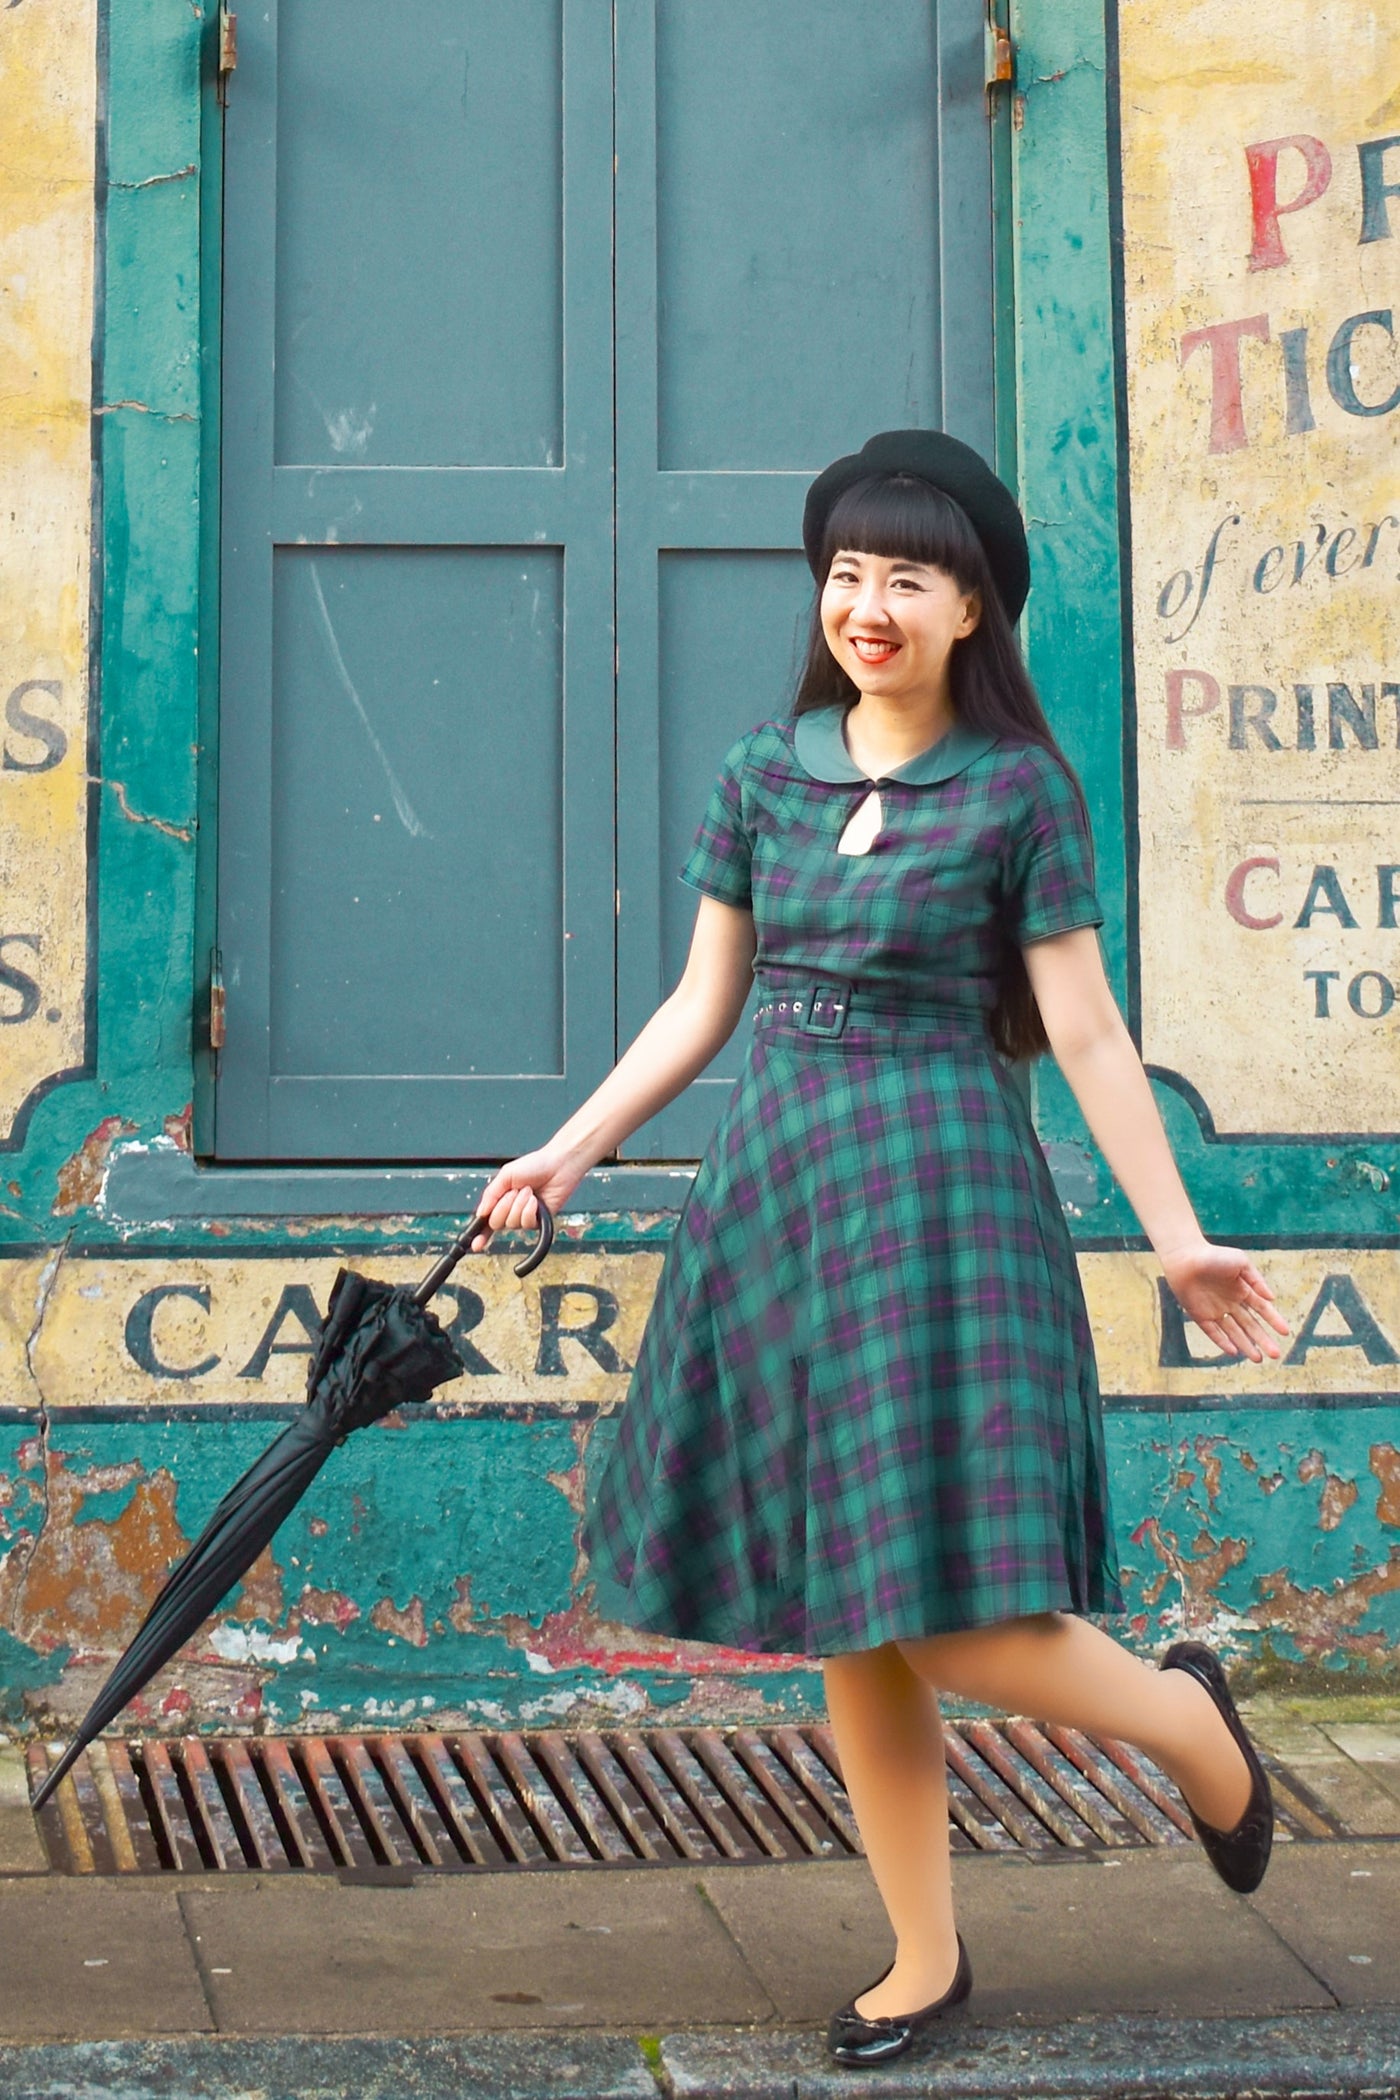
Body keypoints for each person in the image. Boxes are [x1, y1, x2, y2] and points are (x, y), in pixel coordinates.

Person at [470, 430, 1290, 2067]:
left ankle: (1196, 1728)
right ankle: (924, 1957)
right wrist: (566, 1153)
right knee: (855, 1604)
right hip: (780, 1199)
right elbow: (705, 1003)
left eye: (907, 576)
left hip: (944, 1204)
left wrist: (1181, 1238)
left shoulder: (1015, 791)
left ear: (973, 607)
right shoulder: (767, 771)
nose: (867, 602)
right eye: (847, 571)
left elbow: (1088, 1031)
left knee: (958, 1611)